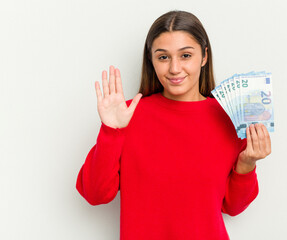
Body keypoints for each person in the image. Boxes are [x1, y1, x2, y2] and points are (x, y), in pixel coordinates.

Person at [76, 10, 271, 240]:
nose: (175, 68)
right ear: (152, 60)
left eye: (186, 55)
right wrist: (111, 131)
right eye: (163, 57)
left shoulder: (230, 118)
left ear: (204, 56)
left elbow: (233, 207)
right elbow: (95, 194)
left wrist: (246, 163)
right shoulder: (127, 114)